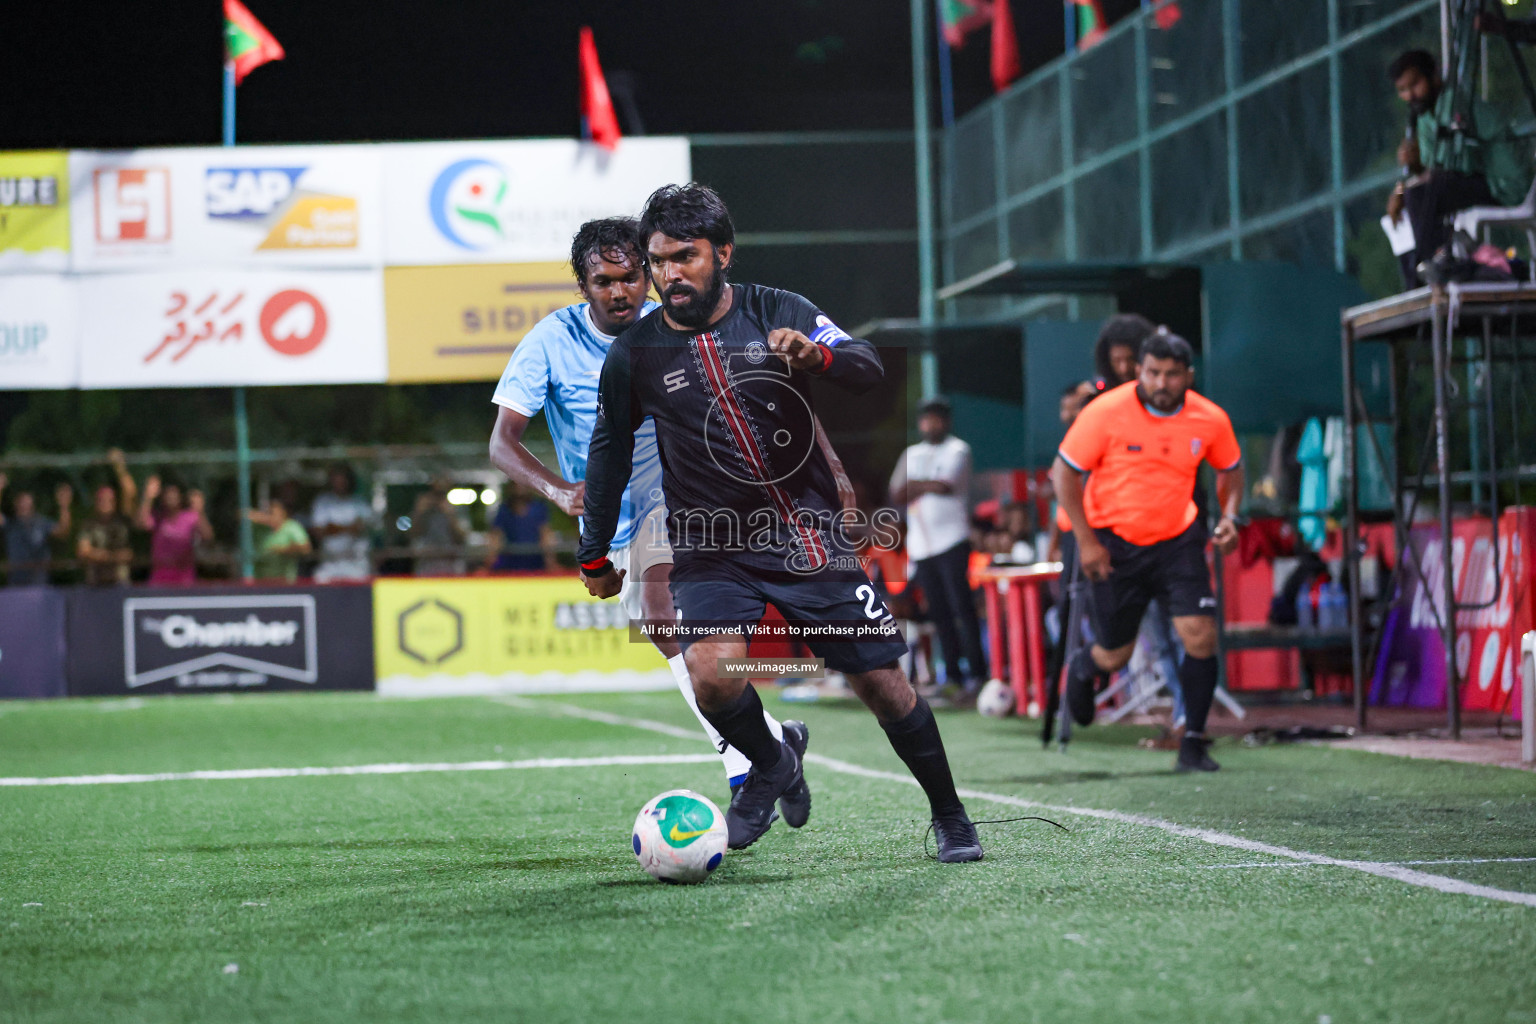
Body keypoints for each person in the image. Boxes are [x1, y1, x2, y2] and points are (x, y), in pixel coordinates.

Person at [576, 184, 982, 861]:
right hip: (711, 544)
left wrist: (817, 357)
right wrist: (593, 551)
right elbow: (609, 452)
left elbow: (866, 365)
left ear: (723, 253)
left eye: (685, 257)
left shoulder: (779, 310)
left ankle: (950, 814)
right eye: (659, 262)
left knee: (882, 684)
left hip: (806, 535)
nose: (670, 275)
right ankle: (773, 760)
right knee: (712, 673)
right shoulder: (635, 353)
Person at [489, 216, 808, 805]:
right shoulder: (550, 340)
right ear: (583, 285)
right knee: (663, 635)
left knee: (663, 607)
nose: (620, 292)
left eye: (631, 277)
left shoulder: (674, 327)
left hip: (681, 492)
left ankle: (746, 768)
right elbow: (501, 442)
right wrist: (561, 491)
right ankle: (773, 740)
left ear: (648, 275)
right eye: (604, 280)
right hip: (611, 514)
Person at [1051, 329, 1243, 772]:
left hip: (1179, 538)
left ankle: (1192, 741)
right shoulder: (1105, 413)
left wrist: (1230, 516)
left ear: (1188, 376)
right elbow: (1064, 476)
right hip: (1114, 543)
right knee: (1116, 652)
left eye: (1172, 374)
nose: (1161, 383)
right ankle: (1084, 666)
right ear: (1139, 370)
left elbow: (1231, 470)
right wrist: (1087, 543)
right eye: (1153, 372)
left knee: (1200, 635)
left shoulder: (1210, 418)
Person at [1384, 49, 1533, 285]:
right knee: (1409, 199)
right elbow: (1432, 172)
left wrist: (1411, 184)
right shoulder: (1424, 118)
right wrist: (1405, 182)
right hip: (1471, 186)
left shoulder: (1457, 104)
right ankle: (1425, 274)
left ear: (1433, 76)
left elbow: (1457, 168)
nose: (1410, 95)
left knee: (1422, 193)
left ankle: (1431, 272)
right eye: (1403, 90)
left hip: (1503, 185)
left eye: (1415, 84)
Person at [889, 396, 987, 698]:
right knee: (939, 612)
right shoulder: (912, 453)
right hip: (922, 546)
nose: (931, 423)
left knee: (962, 608)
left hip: (953, 540)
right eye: (926, 418)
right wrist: (923, 483)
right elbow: (897, 492)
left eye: (937, 418)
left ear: (946, 420)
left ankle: (978, 675)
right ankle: (953, 676)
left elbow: (945, 485)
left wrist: (916, 484)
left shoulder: (958, 449)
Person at [77, 450, 138, 586]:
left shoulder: (123, 520)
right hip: (95, 583)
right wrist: (113, 556)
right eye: (101, 500)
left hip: (120, 582)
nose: (105, 503)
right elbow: (83, 551)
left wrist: (119, 467)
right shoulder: (89, 524)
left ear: (115, 502)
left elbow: (130, 493)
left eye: (109, 500)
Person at [136, 476, 212, 585]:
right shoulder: (158, 517)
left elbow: (207, 536)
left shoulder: (190, 516)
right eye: (168, 495)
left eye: (174, 494)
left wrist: (200, 511)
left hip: (184, 574)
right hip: (161, 573)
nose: (171, 498)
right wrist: (148, 497)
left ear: (180, 496)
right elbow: (140, 524)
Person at [0, 476, 72, 586]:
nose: (23, 505)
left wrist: (64, 505)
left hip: (40, 585)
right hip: (15, 585)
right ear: (15, 503)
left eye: (26, 501)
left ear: (32, 503)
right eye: (20, 501)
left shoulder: (41, 523)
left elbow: (63, 532)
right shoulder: (10, 524)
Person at [309, 465, 373, 583]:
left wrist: (333, 528)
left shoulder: (359, 502)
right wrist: (347, 528)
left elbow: (359, 528)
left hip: (356, 563)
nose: (340, 482)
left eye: (343, 479)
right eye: (336, 479)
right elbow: (318, 531)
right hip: (330, 563)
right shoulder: (323, 502)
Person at [486, 484, 558, 572]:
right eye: (516, 485)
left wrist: (550, 559)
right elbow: (496, 535)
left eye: (522, 484)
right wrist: (491, 559)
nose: (520, 488)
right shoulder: (504, 510)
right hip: (511, 559)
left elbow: (545, 533)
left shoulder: (539, 508)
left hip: (535, 559)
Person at [409, 478, 467, 577]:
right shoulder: (424, 505)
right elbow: (411, 535)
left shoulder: (457, 506)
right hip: (426, 562)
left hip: (450, 563)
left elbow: (462, 537)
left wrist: (450, 515)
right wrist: (419, 512)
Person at [246, 498, 312, 583]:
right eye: (267, 513)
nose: (270, 517)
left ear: (282, 514)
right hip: (260, 581)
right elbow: (242, 515)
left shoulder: (292, 527)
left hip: (284, 581)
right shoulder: (260, 527)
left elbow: (306, 548)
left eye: (272, 513)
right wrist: (261, 517)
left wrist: (283, 550)